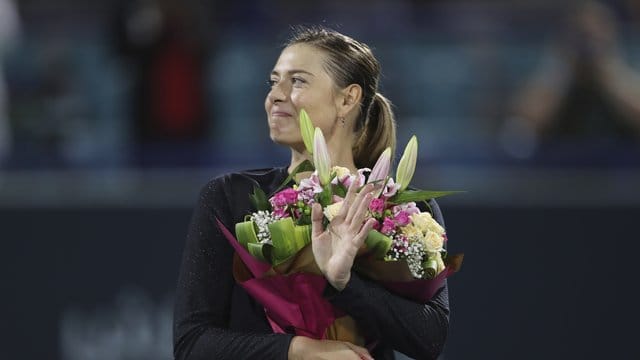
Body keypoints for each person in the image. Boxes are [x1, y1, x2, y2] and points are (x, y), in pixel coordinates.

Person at [173, 26, 450, 360]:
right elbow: (193, 345)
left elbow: (429, 339)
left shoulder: (407, 212)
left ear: (347, 99)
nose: (275, 95)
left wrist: (344, 283)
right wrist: (300, 350)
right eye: (274, 82)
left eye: (297, 81)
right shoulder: (231, 198)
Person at [503, 0, 640, 156]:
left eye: (596, 36)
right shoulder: (556, 75)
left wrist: (608, 71)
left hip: (621, 172)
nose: (588, 45)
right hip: (562, 172)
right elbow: (523, 123)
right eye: (582, 36)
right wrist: (561, 70)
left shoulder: (627, 68)